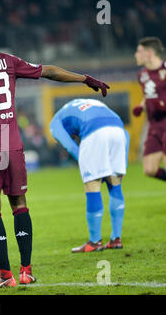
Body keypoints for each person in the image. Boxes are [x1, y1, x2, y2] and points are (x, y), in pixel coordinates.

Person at [0, 14, 110, 288]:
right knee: (19, 204)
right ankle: (26, 271)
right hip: (11, 143)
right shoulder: (8, 60)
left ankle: (5, 276)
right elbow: (49, 71)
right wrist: (85, 79)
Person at [50, 99, 129, 253]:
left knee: (92, 185)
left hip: (94, 132)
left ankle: (94, 242)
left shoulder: (55, 122)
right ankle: (116, 239)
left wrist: (85, 160)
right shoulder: (87, 104)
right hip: (119, 130)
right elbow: (125, 133)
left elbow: (69, 144)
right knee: (115, 184)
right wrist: (122, 165)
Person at [133, 37, 166, 219]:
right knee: (149, 169)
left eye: (138, 51)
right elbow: (149, 97)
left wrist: (165, 106)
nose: (136, 55)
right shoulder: (142, 75)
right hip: (153, 125)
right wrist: (141, 105)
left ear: (149, 53)